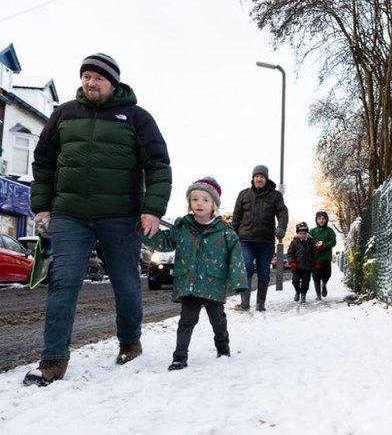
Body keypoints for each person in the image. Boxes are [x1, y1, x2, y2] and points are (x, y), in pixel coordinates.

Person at [24, 53, 172, 386]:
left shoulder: (136, 117)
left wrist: (152, 210)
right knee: (63, 282)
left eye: (98, 78)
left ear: (113, 82)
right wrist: (42, 206)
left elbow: (159, 166)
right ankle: (53, 360)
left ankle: (130, 342)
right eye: (86, 76)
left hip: (121, 216)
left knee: (126, 283)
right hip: (70, 215)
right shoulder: (64, 114)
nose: (91, 83)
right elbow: (43, 163)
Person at [142, 177, 248, 370]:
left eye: (205, 200)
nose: (199, 203)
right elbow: (164, 242)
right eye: (195, 199)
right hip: (188, 284)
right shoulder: (182, 227)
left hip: (213, 285)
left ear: (214, 205)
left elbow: (236, 257)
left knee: (218, 320)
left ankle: (223, 349)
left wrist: (239, 281)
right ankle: (179, 357)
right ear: (189, 203)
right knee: (186, 321)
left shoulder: (225, 231)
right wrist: (147, 231)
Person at [231, 165, 288, 312]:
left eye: (262, 176)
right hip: (245, 240)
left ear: (266, 178)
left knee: (264, 272)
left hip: (266, 240)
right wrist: (233, 235)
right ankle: (244, 304)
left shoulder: (275, 196)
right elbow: (236, 217)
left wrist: (281, 227)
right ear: (253, 178)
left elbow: (282, 212)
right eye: (256, 176)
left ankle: (260, 303)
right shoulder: (243, 194)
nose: (259, 179)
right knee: (247, 267)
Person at [309, 211, 337, 300]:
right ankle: (318, 295)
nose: (321, 220)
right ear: (316, 220)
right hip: (315, 258)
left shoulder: (329, 230)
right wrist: (315, 246)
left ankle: (324, 283)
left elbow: (333, 242)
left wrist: (324, 245)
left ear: (326, 220)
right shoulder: (312, 231)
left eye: (323, 219)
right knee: (315, 276)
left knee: (327, 274)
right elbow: (308, 242)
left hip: (326, 257)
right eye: (319, 219)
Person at [286, 222, 315, 303]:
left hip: (307, 267)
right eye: (300, 233)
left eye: (304, 233)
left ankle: (303, 294)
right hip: (296, 266)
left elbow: (315, 253)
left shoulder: (311, 242)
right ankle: (297, 292)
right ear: (298, 234)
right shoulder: (294, 242)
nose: (302, 235)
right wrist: (292, 262)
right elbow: (290, 253)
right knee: (295, 281)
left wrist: (315, 262)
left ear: (307, 233)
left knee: (305, 283)